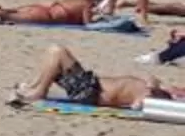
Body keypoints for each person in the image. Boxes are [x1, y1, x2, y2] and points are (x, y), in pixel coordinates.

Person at [9, 43, 175, 111]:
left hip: (90, 92)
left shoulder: (146, 96)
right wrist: (154, 85)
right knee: (54, 53)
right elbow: (154, 79)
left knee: (58, 51)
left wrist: (151, 91)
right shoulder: (149, 88)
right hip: (90, 85)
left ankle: (39, 92)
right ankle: (35, 86)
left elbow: (137, 106)